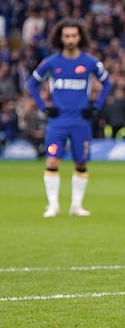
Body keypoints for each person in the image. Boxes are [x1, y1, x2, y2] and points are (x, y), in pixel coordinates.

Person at [26, 18, 112, 218]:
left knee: (81, 163)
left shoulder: (90, 62)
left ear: (80, 37)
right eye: (67, 36)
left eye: (74, 35)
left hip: (81, 122)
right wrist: (44, 107)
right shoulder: (51, 62)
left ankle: (76, 205)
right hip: (57, 122)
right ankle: (53, 205)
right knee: (52, 161)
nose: (70, 39)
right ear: (60, 38)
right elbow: (32, 84)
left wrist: (96, 106)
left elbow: (107, 83)